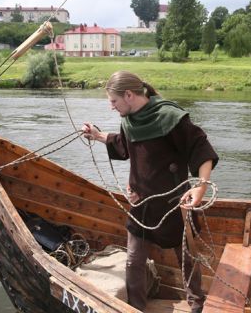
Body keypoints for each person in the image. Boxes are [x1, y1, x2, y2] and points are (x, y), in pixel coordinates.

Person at [81, 70, 219, 313]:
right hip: (141, 204)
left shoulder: (170, 117)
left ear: (129, 95)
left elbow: (201, 148)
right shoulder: (129, 120)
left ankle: (197, 305)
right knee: (134, 261)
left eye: (113, 101)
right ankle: (135, 308)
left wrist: (200, 188)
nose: (111, 107)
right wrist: (96, 135)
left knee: (186, 258)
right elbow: (123, 146)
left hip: (175, 205)